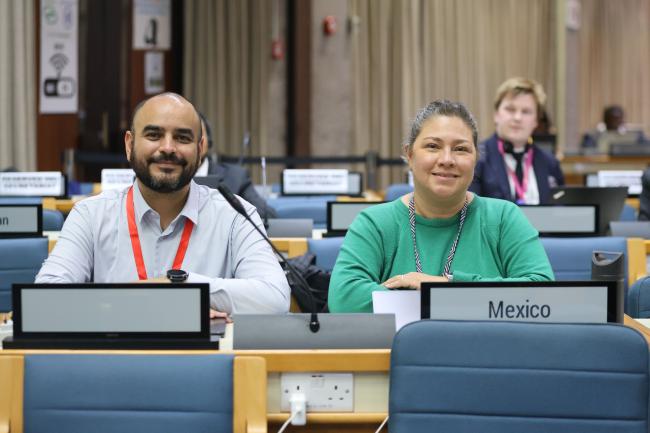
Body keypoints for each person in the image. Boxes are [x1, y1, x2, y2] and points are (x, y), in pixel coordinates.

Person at [36, 92, 290, 315]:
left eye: (182, 138)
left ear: (200, 148)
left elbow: (275, 298)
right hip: (112, 362)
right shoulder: (90, 215)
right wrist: (184, 303)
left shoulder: (236, 215)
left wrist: (180, 285)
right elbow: (45, 299)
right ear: (129, 144)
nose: (168, 148)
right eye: (154, 135)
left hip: (201, 365)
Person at [328, 99, 554, 313]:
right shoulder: (375, 223)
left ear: (475, 159)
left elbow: (541, 294)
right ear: (409, 154)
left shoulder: (504, 217)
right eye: (433, 146)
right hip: (401, 353)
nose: (447, 159)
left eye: (461, 149)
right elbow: (344, 299)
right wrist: (467, 301)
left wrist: (441, 286)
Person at [470, 77, 564, 204]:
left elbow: (561, 213)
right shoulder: (476, 159)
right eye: (510, 109)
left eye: (526, 111)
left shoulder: (550, 163)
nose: (517, 117)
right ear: (496, 115)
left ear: (536, 121)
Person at [196, 113, 276, 220]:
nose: (193, 142)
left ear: (208, 141)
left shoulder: (235, 177)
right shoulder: (169, 178)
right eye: (184, 137)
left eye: (198, 135)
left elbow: (268, 215)